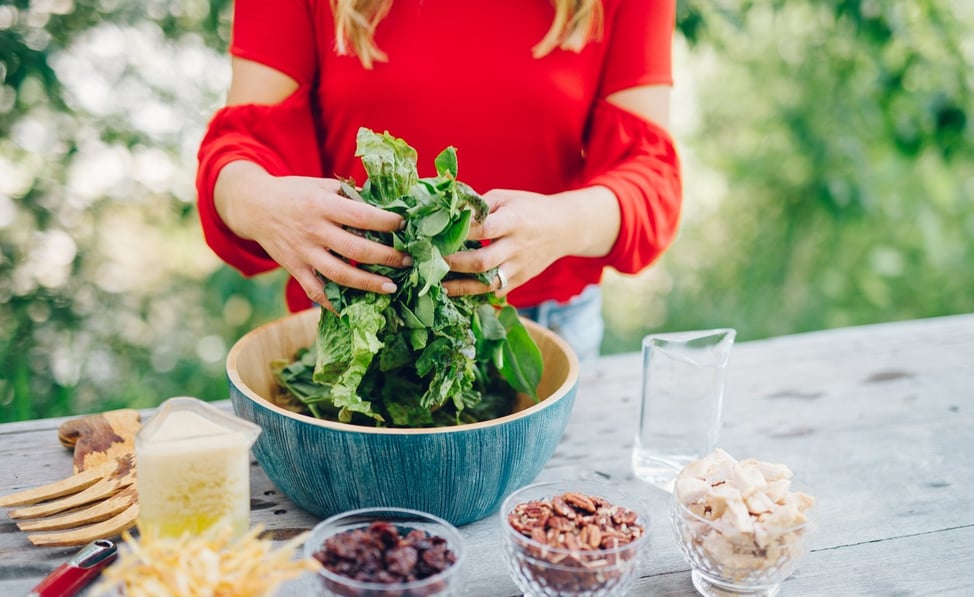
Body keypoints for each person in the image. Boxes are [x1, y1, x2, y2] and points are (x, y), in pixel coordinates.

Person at [196, 0, 682, 360]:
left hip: (542, 333)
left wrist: (564, 222)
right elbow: (240, 149)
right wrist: (258, 203)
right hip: (352, 328)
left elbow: (650, 177)